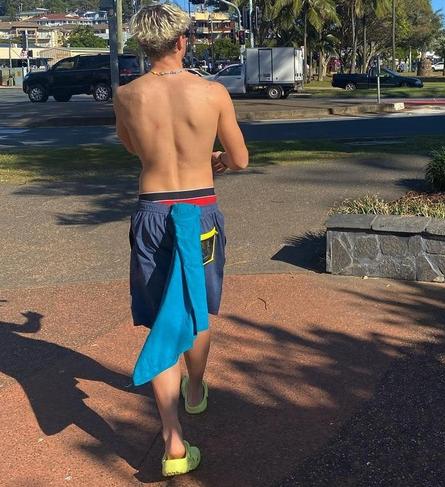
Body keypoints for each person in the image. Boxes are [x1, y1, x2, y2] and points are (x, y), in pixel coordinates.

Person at [113, 3, 248, 477]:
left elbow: (131, 145)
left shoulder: (126, 94)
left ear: (144, 45)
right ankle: (194, 390)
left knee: (159, 319)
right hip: (198, 213)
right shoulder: (211, 93)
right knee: (194, 306)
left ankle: (172, 444)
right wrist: (215, 161)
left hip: (152, 213)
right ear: (181, 41)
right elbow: (241, 158)